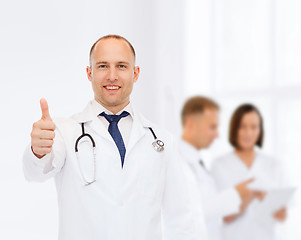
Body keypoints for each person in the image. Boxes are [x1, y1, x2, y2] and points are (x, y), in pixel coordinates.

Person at [23, 35, 199, 240]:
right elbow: (35, 172)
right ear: (90, 73)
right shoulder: (64, 132)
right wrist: (38, 150)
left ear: (136, 73)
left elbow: (180, 218)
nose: (112, 76)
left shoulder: (161, 140)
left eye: (122, 66)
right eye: (103, 66)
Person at [178, 96, 255, 240]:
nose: (217, 135)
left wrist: (242, 200)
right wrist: (236, 194)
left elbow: (211, 208)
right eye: (212, 127)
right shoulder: (177, 161)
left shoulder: (197, 162)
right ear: (190, 125)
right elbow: (189, 213)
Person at [211, 103, 287, 240]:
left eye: (254, 127)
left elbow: (282, 216)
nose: (248, 133)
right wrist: (252, 194)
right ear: (234, 129)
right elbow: (226, 216)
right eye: (242, 127)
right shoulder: (219, 165)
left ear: (260, 130)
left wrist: (277, 210)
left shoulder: (273, 165)